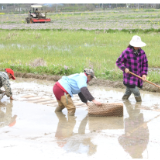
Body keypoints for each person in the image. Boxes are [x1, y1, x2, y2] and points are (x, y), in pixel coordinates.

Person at [116, 35, 148, 102]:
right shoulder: (126, 52)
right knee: (136, 92)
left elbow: (145, 63)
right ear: (132, 45)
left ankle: (124, 102)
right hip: (129, 77)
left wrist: (144, 74)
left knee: (128, 91)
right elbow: (118, 62)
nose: (138, 46)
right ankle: (139, 104)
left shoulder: (142, 52)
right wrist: (124, 68)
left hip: (137, 76)